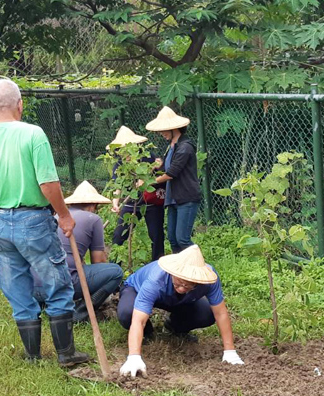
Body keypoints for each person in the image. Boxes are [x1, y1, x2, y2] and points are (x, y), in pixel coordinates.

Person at [0, 78, 90, 367]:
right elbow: (47, 182)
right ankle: (66, 353)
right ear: (21, 105)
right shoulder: (33, 134)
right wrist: (64, 215)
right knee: (56, 284)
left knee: (16, 288)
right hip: (33, 221)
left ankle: (33, 355)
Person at [118, 244, 245, 377]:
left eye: (188, 285)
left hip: (178, 300)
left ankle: (174, 326)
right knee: (128, 313)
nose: (182, 288)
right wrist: (134, 356)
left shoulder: (209, 281)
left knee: (206, 314)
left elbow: (220, 313)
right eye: (178, 282)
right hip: (136, 290)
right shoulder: (156, 280)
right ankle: (148, 332)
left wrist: (230, 351)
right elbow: (138, 320)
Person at [34, 181, 124, 323]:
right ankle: (80, 313)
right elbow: (98, 260)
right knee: (115, 272)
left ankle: (45, 306)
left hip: (34, 287)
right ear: (93, 205)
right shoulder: (93, 219)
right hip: (59, 286)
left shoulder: (57, 217)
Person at [146, 106, 201, 254]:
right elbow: (165, 168)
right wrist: (156, 167)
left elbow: (172, 173)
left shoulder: (185, 147)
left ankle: (199, 266)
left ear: (174, 129)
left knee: (182, 239)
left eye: (164, 130)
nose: (162, 133)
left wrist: (148, 182)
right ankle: (181, 271)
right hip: (173, 198)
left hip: (186, 197)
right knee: (173, 239)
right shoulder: (171, 146)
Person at [108, 126, 166, 262]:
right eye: (120, 149)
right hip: (130, 203)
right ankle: (114, 268)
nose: (123, 152)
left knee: (156, 236)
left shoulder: (146, 156)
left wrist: (154, 168)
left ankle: (157, 267)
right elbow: (118, 186)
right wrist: (115, 203)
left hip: (150, 202)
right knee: (118, 236)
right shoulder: (119, 164)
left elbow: (161, 169)